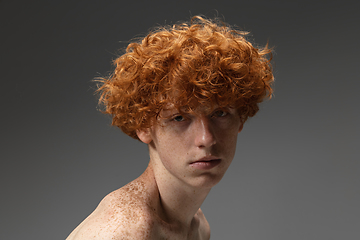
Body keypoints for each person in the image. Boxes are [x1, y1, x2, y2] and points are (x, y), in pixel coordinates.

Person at [66, 16, 274, 240]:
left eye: (220, 113)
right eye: (179, 118)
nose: (206, 138)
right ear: (144, 127)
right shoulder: (125, 231)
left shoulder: (197, 227)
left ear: (241, 118)